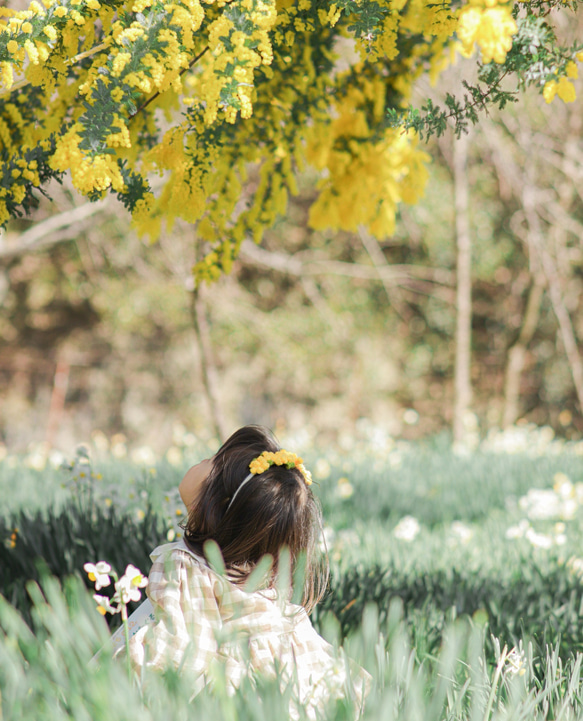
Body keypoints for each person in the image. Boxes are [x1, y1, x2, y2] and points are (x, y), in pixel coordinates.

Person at [126, 425, 370, 717]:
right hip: (292, 682)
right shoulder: (261, 572)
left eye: (211, 459)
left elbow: (183, 648)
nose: (201, 461)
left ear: (217, 504)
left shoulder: (185, 565)